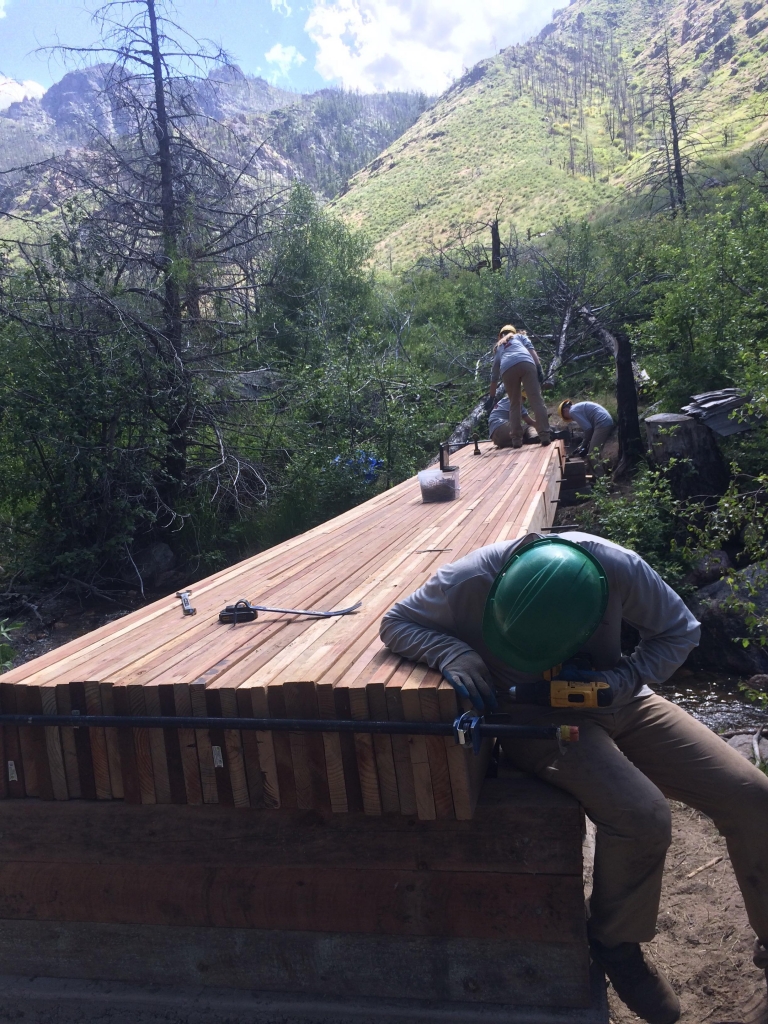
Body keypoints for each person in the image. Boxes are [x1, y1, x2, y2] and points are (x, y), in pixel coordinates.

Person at [380, 533, 768, 1024]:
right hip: (532, 715)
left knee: (753, 797)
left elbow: (679, 631)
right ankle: (615, 944)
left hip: (618, 696)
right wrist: (451, 652)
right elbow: (396, 623)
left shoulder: (618, 567)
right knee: (642, 815)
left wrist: (622, 681)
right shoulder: (469, 579)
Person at [490, 325, 550, 448]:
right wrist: (539, 369)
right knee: (536, 399)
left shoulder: (500, 345)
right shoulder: (520, 337)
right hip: (526, 362)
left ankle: (516, 440)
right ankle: (544, 435)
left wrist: (492, 396)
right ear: (513, 332)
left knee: (514, 404)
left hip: (507, 369)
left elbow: (494, 372)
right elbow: (532, 352)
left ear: (500, 335)